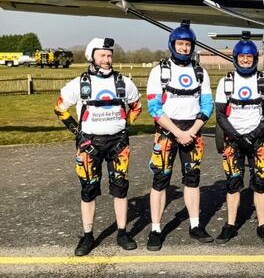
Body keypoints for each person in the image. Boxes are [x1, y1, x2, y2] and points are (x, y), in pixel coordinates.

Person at [54, 37, 141, 256]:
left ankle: (122, 232)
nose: (107, 59)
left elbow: (137, 106)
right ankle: (87, 235)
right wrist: (78, 133)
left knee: (120, 188)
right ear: (91, 56)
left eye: (109, 55)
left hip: (118, 144)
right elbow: (60, 109)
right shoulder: (78, 83)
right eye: (102, 55)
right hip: (88, 144)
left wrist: (124, 125)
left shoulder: (123, 82)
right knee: (88, 190)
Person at [145, 22, 214, 251]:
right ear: (172, 45)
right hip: (166, 131)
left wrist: (191, 131)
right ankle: (156, 229)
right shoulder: (159, 71)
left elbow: (207, 105)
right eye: (180, 44)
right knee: (160, 180)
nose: (184, 48)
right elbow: (154, 108)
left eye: (188, 44)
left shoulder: (200, 72)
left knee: (192, 180)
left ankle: (195, 225)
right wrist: (177, 132)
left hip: (192, 132)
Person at [214, 33, 264, 244]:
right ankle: (230, 225)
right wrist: (237, 136)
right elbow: (220, 115)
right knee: (233, 183)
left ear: (254, 59)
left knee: (259, 183)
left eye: (249, 57)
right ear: (235, 58)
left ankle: (262, 224)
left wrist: (254, 133)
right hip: (234, 140)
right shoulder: (226, 82)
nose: (245, 61)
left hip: (257, 140)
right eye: (242, 57)